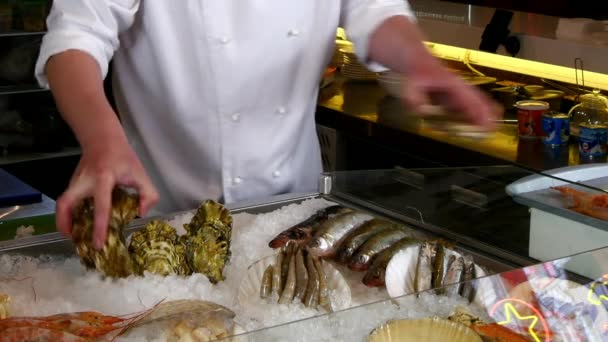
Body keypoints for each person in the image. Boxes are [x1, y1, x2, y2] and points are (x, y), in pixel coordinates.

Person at [35, 1, 500, 250]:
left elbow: (375, 12)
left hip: (294, 215)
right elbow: (75, 40)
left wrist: (420, 63)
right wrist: (102, 140)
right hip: (166, 214)